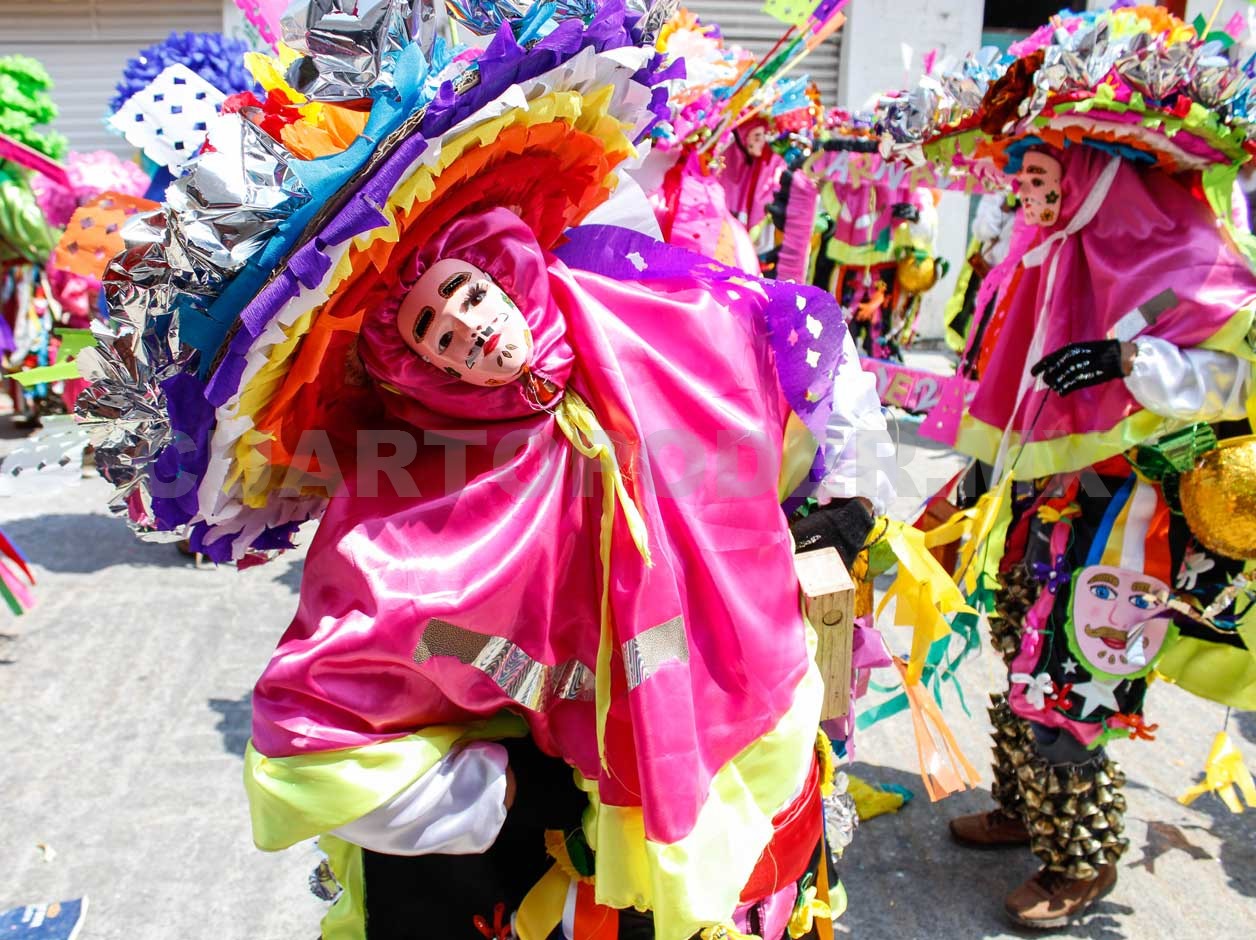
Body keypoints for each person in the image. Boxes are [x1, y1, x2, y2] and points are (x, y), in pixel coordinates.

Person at [78, 4, 852, 937]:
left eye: (467, 297)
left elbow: (764, 410)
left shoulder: (648, 324)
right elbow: (330, 691)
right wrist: (481, 788)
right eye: (437, 333)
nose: (471, 332)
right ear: (414, 367)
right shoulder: (407, 484)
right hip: (553, 819)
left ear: (497, 267)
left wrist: (826, 502)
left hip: (723, 705)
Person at [878, 4, 1256, 928]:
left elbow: (1232, 375)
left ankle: (1081, 859)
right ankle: (1024, 806)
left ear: (1089, 176)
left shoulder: (1186, 254)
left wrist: (1130, 362)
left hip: (1125, 511)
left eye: (1040, 178)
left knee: (1076, 671)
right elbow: (1011, 399)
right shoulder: (1053, 252)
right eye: (1024, 182)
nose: (1026, 198)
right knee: (1019, 648)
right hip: (1041, 503)